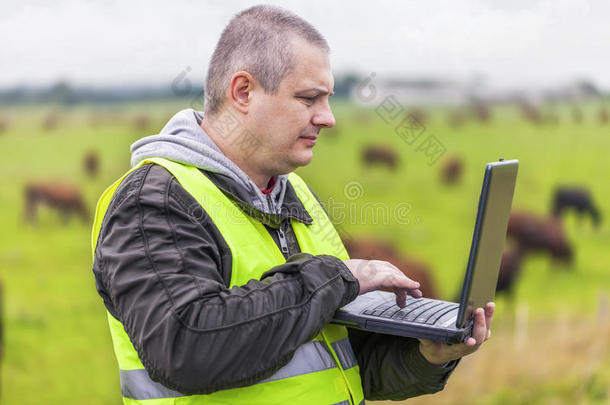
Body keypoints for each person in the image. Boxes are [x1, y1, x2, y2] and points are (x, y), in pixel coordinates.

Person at [91, 5, 494, 405]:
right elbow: (186, 349)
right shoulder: (154, 202)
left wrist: (427, 355)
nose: (328, 118)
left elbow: (338, 364)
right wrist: (336, 277)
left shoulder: (295, 194)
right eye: (308, 99)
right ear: (243, 92)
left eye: (328, 99)